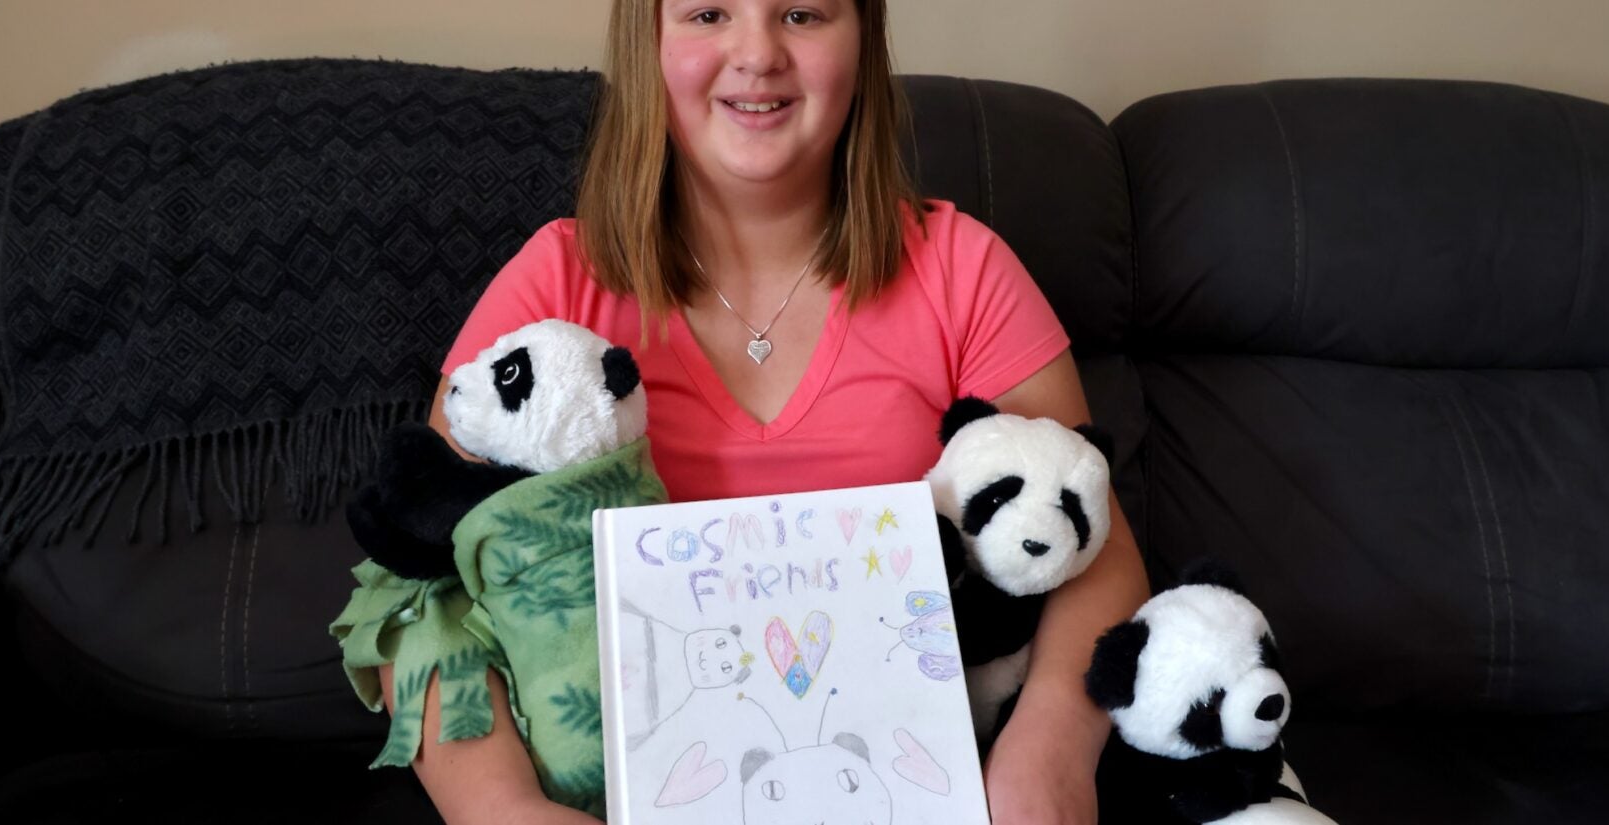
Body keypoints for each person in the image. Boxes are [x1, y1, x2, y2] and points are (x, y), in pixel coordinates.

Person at [375, 1, 1149, 822]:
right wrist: (499, 806)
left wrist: (1049, 750)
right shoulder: (559, 280)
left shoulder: (964, 271)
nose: (757, 53)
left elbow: (1094, 550)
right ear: (649, 45)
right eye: (709, 12)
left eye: (802, 13)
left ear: (863, 41)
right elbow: (413, 584)